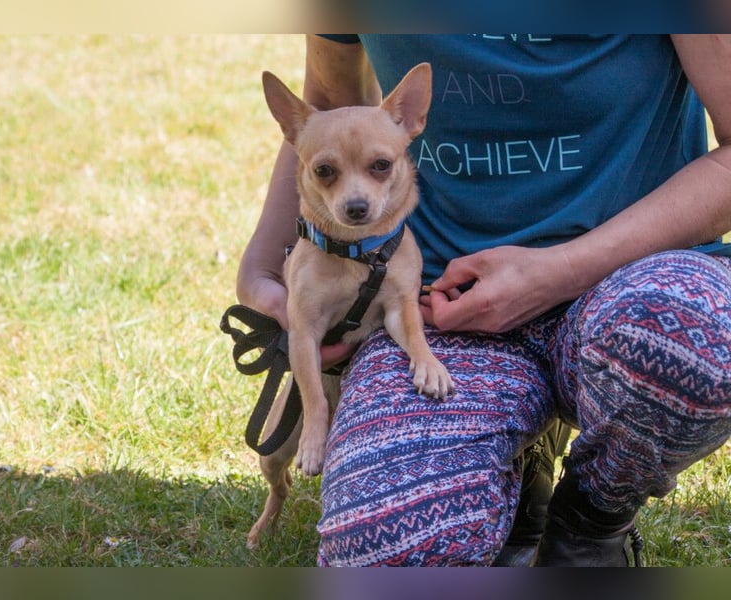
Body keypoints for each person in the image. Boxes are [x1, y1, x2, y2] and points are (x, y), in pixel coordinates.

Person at [236, 34, 731, 566]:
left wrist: (558, 272)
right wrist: (264, 266)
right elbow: (330, 102)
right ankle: (517, 454)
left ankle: (590, 521)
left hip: (630, 279)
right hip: (443, 310)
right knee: (386, 552)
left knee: (696, 336)